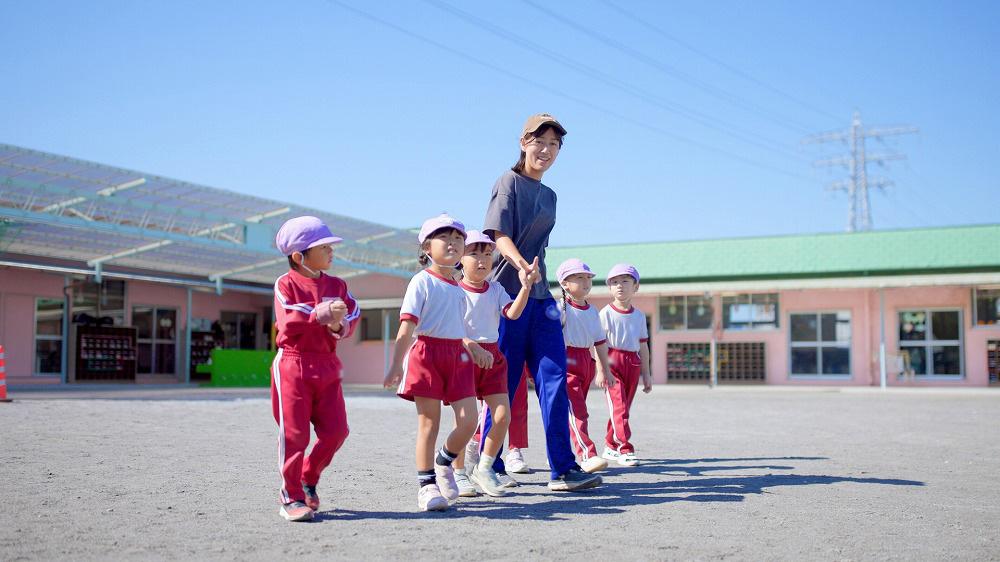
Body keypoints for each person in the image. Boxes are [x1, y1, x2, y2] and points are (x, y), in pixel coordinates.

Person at [480, 113, 601, 491]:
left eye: (554, 145)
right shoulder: (508, 182)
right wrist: (519, 267)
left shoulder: (550, 196)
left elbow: (540, 248)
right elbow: (499, 235)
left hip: (542, 299)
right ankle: (490, 465)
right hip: (508, 296)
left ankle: (563, 469)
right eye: (539, 141)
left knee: (554, 379)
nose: (546, 150)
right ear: (523, 142)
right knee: (505, 382)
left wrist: (543, 285)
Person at [382, 214, 488, 511]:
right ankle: (427, 486)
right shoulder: (421, 281)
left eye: (458, 239)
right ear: (428, 247)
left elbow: (458, 328)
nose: (453, 243)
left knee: (470, 420)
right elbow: (406, 328)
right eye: (445, 238)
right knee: (429, 424)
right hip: (427, 354)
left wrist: (474, 347)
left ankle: (445, 461)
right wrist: (396, 365)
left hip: (457, 356)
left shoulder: (457, 287)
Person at [271, 216, 360, 521]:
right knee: (294, 435)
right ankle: (291, 495)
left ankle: (308, 477)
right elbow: (289, 319)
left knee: (337, 431)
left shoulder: (338, 284)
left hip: (327, 364)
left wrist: (339, 324)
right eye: (324, 247)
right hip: (293, 363)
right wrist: (324, 313)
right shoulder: (285, 283)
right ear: (299, 256)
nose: (332, 251)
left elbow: (354, 312)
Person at [452, 230, 538, 497]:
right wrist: (471, 346)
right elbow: (451, 329)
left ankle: (485, 468)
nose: (482, 260)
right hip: (463, 355)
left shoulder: (497, 289)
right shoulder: (453, 291)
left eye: (488, 254)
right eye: (474, 253)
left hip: (493, 356)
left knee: (502, 416)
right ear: (460, 260)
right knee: (465, 421)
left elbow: (512, 313)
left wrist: (526, 286)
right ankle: (457, 473)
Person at [556, 258, 615, 473]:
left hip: (586, 362)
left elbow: (599, 342)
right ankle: (587, 454)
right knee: (577, 412)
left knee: (571, 412)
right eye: (579, 277)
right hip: (566, 361)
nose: (586, 281)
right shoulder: (559, 307)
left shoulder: (592, 311)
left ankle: (559, 453)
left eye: (588, 278)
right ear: (564, 283)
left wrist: (603, 369)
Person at [600, 264, 652, 467]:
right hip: (611, 360)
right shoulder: (605, 313)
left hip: (633, 363)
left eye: (625, 281)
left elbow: (643, 345)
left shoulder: (639, 316)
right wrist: (601, 369)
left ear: (635, 287)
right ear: (609, 288)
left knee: (622, 409)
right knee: (618, 407)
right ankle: (625, 448)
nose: (619, 286)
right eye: (614, 282)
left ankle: (609, 445)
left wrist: (646, 374)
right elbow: (598, 344)